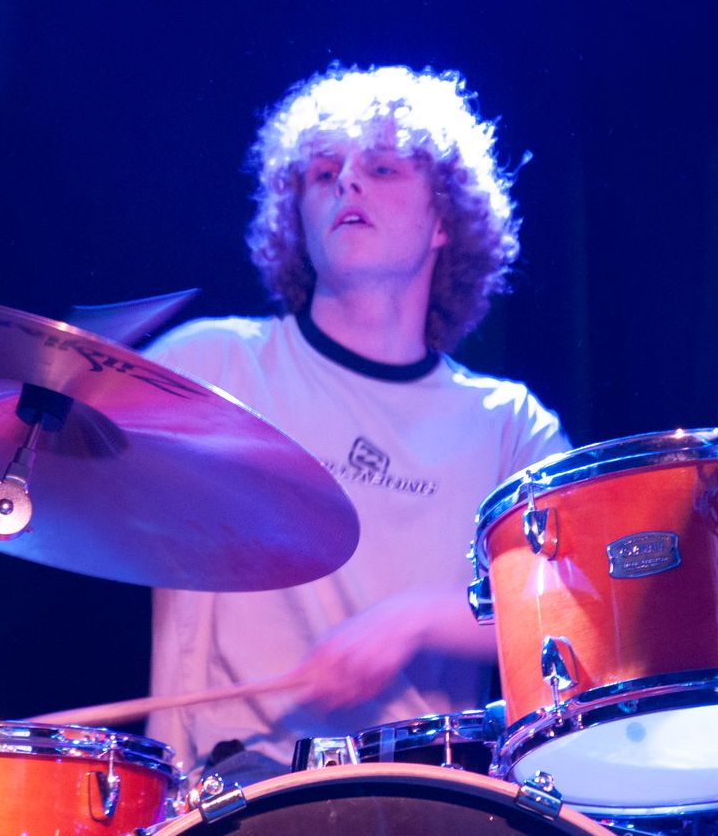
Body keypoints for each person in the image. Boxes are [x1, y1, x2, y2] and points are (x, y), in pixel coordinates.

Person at [145, 64, 569, 784]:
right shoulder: (210, 365)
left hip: (430, 796)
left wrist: (414, 620)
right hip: (229, 792)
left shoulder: (508, 425)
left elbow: (577, 596)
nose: (346, 182)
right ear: (298, 223)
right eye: (322, 173)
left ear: (445, 222)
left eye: (381, 167)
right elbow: (59, 471)